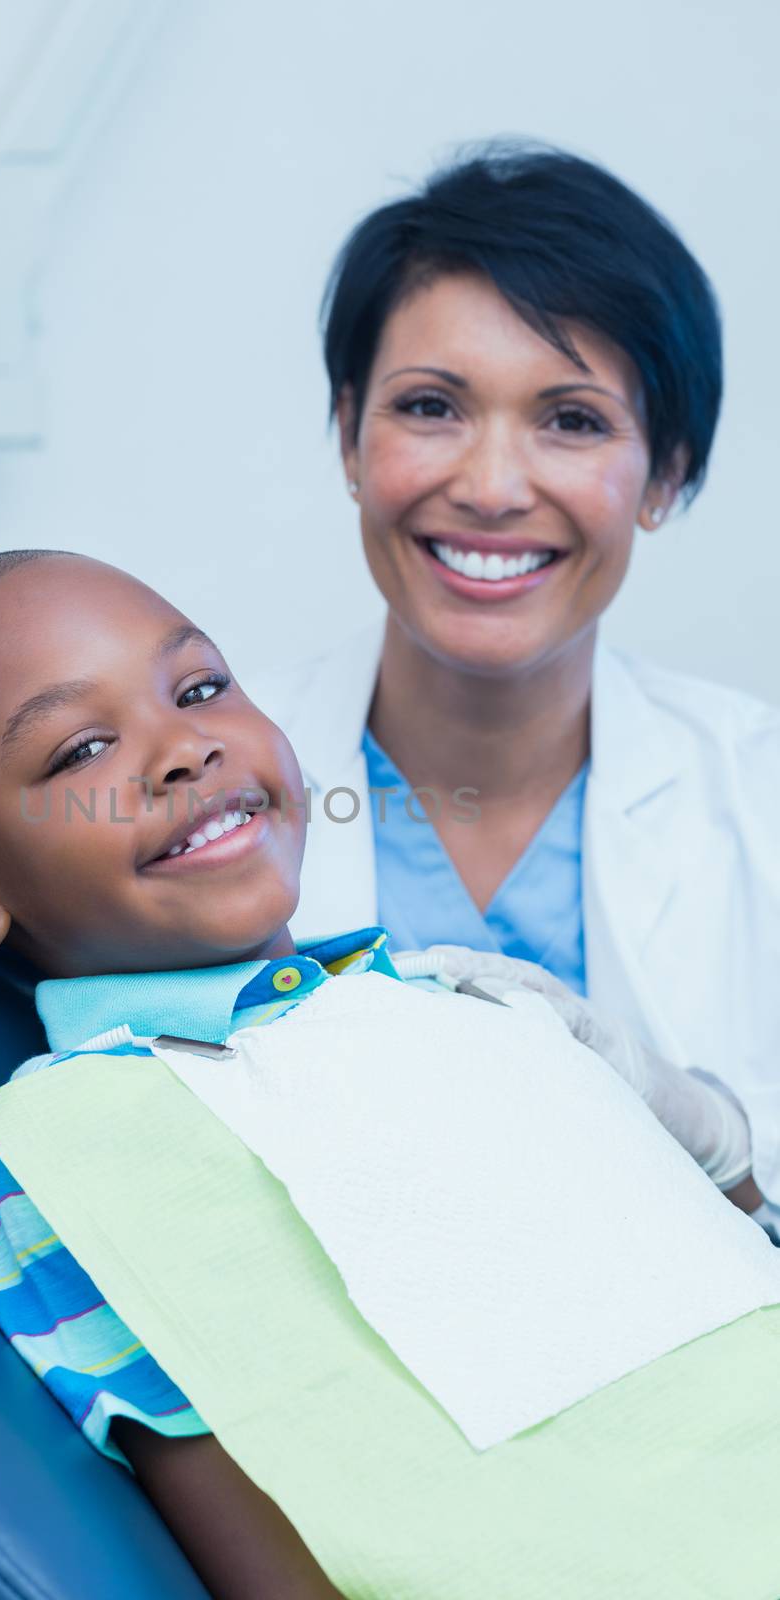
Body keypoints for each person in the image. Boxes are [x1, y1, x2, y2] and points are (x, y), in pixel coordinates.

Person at [0, 549, 779, 1600]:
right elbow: (265, 1514)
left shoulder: (463, 1004)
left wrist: (715, 1151)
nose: (182, 748)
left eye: (199, 687)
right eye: (81, 749)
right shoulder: (70, 1142)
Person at [241, 139, 780, 1225]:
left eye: (571, 420)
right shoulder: (205, 783)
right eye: (430, 407)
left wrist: (727, 1150)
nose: (489, 487)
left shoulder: (752, 791)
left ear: (664, 474)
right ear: (348, 433)